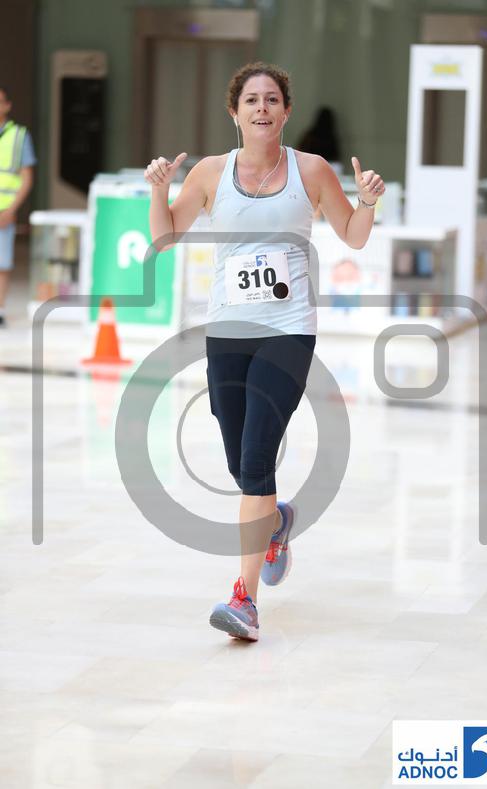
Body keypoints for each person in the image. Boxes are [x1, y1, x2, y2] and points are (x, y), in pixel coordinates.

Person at [145, 62, 384, 642]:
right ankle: (275, 522)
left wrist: (367, 201)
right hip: (228, 332)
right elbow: (164, 238)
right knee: (239, 460)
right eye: (251, 100)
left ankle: (244, 599)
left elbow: (353, 235)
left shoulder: (311, 170)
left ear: (286, 111)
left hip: (288, 331)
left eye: (272, 99)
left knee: (256, 462)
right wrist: (158, 189)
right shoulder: (210, 172)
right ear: (234, 112)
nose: (261, 108)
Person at [0, 86, 37, 327]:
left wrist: (11, 210)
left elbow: (26, 178)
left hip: (4, 212)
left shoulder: (19, 136)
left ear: (7, 105)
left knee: (2, 263)